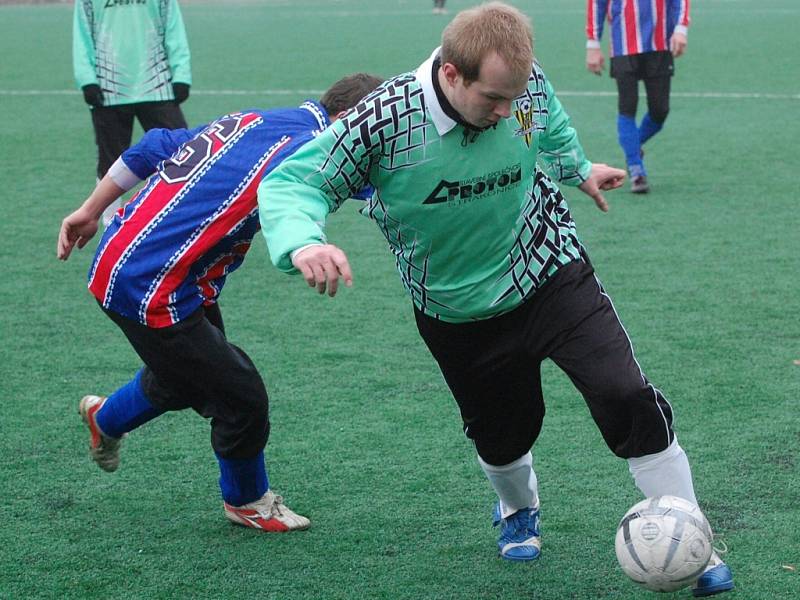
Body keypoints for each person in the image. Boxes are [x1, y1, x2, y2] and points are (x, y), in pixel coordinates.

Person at [257, 3, 733, 596]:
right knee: (504, 432)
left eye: (515, 95)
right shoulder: (384, 120)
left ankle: (693, 531)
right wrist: (303, 242)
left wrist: (578, 169)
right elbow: (293, 181)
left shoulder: (521, 83)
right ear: (452, 76)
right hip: (457, 309)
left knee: (625, 392)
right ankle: (517, 509)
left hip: (549, 269)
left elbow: (548, 123)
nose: (509, 110)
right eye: (493, 100)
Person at [57, 73, 384, 533]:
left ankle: (104, 417)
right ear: (349, 119)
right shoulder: (310, 147)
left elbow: (154, 145)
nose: (374, 151)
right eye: (374, 135)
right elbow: (339, 191)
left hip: (152, 266)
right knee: (240, 396)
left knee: (184, 380)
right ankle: (246, 501)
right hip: (148, 283)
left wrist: (91, 209)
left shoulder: (254, 120)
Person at [73, 0, 193, 225]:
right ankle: (110, 226)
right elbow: (82, 34)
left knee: (185, 155)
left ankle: (183, 217)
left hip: (158, 86)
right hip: (109, 89)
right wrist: (87, 80)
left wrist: (182, 75)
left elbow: (173, 28)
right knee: (110, 163)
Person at [585, 0, 691, 194]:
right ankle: (636, 170)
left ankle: (633, 146)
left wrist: (681, 28)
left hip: (659, 45)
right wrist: (593, 44)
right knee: (628, 106)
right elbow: (597, 4)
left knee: (660, 110)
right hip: (623, 45)